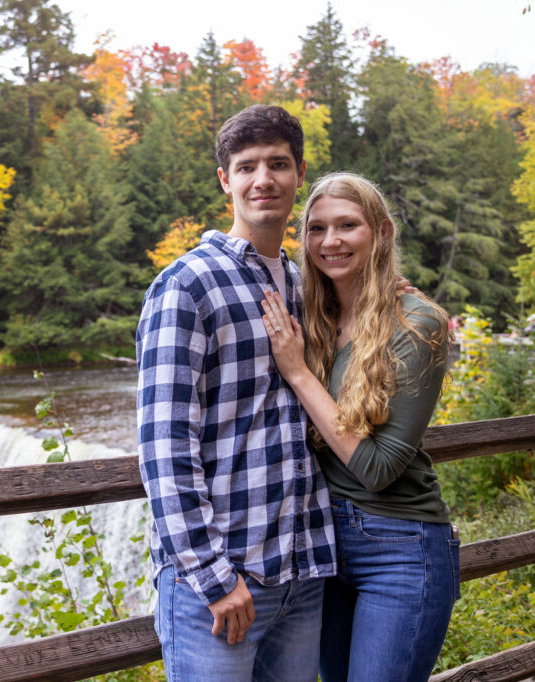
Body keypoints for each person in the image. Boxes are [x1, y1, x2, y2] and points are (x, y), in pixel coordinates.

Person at [136, 105, 335, 681]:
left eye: (278, 164)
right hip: (222, 586)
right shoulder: (187, 285)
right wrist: (214, 578)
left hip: (302, 576)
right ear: (226, 180)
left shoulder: (303, 284)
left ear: (299, 173)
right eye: (246, 167)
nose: (263, 179)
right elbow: (164, 446)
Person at [260, 172, 458, 682]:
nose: (331, 241)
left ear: (383, 232)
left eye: (348, 225)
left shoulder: (417, 324)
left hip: (400, 546)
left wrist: (299, 373)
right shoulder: (312, 316)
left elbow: (377, 468)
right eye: (317, 228)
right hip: (318, 542)